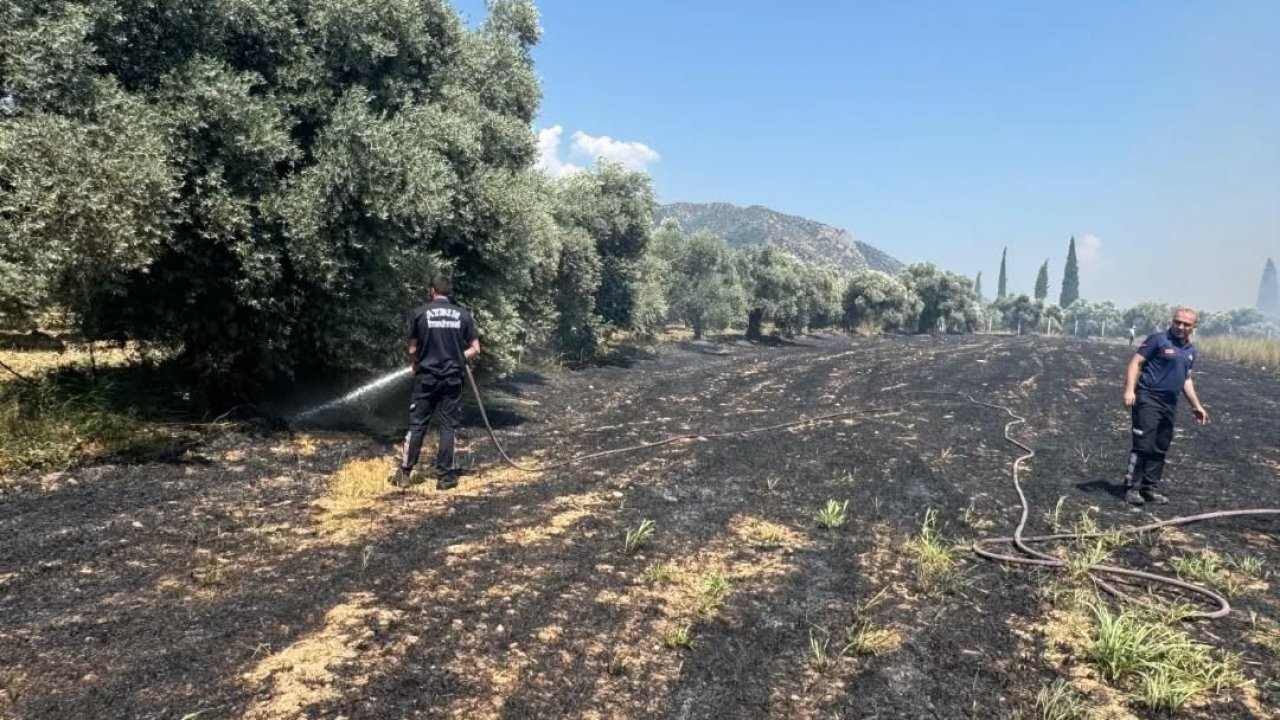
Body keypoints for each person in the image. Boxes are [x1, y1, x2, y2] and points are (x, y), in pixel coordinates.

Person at [391, 275, 481, 490]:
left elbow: (412, 349)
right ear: (448, 292)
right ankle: (445, 477)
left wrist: (417, 362)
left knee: (417, 425)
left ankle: (404, 474)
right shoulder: (463, 315)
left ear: (432, 290)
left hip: (426, 378)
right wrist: (458, 357)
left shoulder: (420, 313)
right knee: (448, 426)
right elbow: (475, 349)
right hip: (452, 379)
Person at [1121, 307, 1209, 505]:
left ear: (1194, 326)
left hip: (1170, 404)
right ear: (1172, 321)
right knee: (1143, 444)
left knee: (1161, 446)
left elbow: (1186, 379)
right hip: (1148, 399)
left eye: (1186, 324)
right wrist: (1129, 391)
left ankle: (1149, 488)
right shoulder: (1158, 340)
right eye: (1177, 322)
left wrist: (1197, 406)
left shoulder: (1190, 350)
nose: (1180, 326)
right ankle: (1131, 488)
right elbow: (1135, 363)